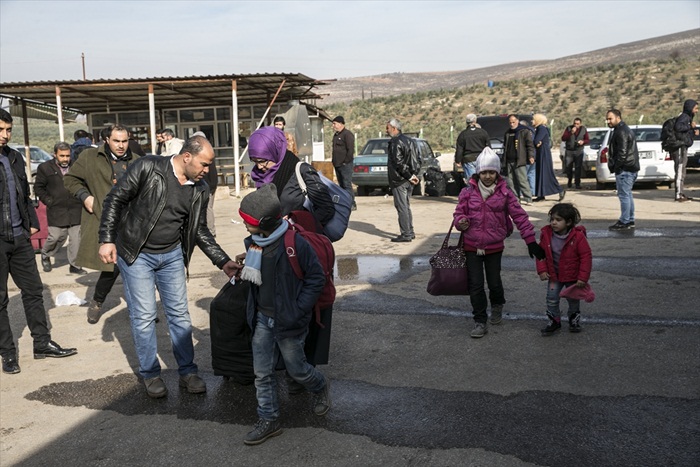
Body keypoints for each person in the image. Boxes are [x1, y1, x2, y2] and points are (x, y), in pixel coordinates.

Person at [97, 135, 238, 398]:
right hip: (137, 253)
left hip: (172, 255)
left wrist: (222, 261)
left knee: (180, 316)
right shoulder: (148, 167)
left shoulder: (200, 187)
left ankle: (187, 372)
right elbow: (114, 200)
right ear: (187, 157)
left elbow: (200, 230)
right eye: (204, 164)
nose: (207, 171)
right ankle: (150, 374)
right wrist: (106, 239)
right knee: (144, 317)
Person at [237, 184, 331, 445]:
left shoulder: (294, 243)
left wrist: (298, 309)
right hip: (263, 319)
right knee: (262, 373)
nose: (244, 225)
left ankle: (320, 386)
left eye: (248, 221)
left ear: (264, 222)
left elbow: (315, 278)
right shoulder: (254, 243)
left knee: (298, 370)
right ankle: (269, 419)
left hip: (289, 320)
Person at [0, 109, 77, 375]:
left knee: (33, 292)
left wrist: (31, 219)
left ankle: (42, 343)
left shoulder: (14, 157)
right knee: (0, 300)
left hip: (19, 237)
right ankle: (8, 354)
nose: (5, 135)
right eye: (0, 130)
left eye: (8, 130)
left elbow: (24, 193)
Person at [453, 148, 545, 338]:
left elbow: (520, 216)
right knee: (475, 285)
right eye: (484, 172)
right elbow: (458, 214)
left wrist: (530, 241)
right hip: (471, 246)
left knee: (494, 283)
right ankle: (480, 321)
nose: (487, 176)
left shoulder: (505, 193)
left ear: (497, 172)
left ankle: (497, 305)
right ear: (478, 172)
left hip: (494, 246)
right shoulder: (467, 192)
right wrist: (460, 222)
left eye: (491, 172)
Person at [64, 124, 141, 324]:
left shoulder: (138, 161)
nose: (121, 146)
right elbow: (71, 180)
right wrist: (85, 196)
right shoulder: (90, 157)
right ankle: (97, 301)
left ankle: (141, 309)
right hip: (105, 221)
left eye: (125, 141)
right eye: (117, 141)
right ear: (106, 139)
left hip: (132, 224)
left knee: (138, 268)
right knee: (111, 267)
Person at [248, 126, 334, 226]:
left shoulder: (301, 170)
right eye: (254, 161)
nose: (259, 166)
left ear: (275, 151)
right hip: (270, 238)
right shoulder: (261, 175)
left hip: (299, 237)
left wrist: (297, 221)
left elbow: (327, 208)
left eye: (262, 161)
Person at [535, 203, 592, 335]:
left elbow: (586, 257)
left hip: (573, 277)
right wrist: (542, 270)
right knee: (551, 298)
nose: (554, 222)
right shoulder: (547, 234)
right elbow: (540, 254)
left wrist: (583, 278)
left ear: (569, 222)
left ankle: (574, 320)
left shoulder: (578, 237)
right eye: (552, 219)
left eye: (558, 220)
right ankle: (554, 321)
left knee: (573, 299)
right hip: (554, 275)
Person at [34, 141, 85, 275]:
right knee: (56, 237)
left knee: (76, 239)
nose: (65, 159)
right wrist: (49, 201)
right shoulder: (45, 168)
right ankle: (46, 254)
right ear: (55, 155)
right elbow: (38, 188)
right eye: (62, 156)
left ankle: (75, 265)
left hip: (75, 208)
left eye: (67, 156)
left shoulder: (76, 166)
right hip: (56, 209)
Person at [386, 118, 420, 242]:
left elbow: (398, 162)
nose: (386, 130)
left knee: (402, 206)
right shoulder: (410, 141)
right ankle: (409, 231)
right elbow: (417, 159)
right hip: (408, 178)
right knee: (406, 206)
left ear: (394, 128)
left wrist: (409, 175)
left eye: (388, 128)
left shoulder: (395, 142)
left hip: (400, 179)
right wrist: (414, 175)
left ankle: (406, 234)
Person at [605, 109, 639, 231]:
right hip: (628, 168)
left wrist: (616, 167)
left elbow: (622, 153)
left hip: (625, 169)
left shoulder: (621, 131)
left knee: (624, 195)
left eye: (610, 118)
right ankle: (629, 219)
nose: (608, 121)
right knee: (627, 195)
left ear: (618, 118)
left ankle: (625, 221)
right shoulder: (622, 130)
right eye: (607, 119)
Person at [531, 114, 566, 202]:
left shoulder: (542, 129)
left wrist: (537, 143)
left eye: (533, 119)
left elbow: (536, 140)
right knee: (540, 174)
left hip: (544, 154)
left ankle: (560, 190)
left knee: (547, 174)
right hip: (541, 153)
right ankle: (541, 194)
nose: (532, 121)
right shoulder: (539, 128)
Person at [502, 114, 535, 205]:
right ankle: (516, 199)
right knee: (511, 182)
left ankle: (528, 198)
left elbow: (530, 145)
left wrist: (531, 156)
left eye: (513, 122)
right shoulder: (508, 133)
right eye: (510, 122)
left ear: (517, 121)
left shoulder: (524, 131)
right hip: (509, 161)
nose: (512, 124)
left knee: (522, 180)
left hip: (519, 160)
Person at [671, 99, 698, 202]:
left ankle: (681, 193)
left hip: (683, 147)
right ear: (690, 108)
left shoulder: (687, 118)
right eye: (695, 108)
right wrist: (689, 126)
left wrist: (692, 133)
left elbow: (684, 133)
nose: (696, 111)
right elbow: (678, 127)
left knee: (682, 171)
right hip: (679, 148)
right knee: (679, 170)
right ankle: (678, 195)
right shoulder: (684, 117)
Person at [193, 131, 219, 236]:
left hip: (208, 186)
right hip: (207, 185)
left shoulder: (206, 154)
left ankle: (211, 231)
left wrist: (211, 187)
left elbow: (211, 173)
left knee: (208, 208)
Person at [454, 113, 490, 182]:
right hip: (481, 159)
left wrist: (457, 160)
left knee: (472, 181)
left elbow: (460, 149)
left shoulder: (463, 134)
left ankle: (474, 192)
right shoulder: (483, 132)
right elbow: (488, 147)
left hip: (468, 160)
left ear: (466, 122)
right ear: (475, 121)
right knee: (483, 180)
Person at [331, 115, 356, 210]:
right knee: (341, 185)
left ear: (341, 124)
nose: (333, 126)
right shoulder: (336, 135)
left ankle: (351, 203)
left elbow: (350, 150)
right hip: (337, 164)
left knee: (346, 184)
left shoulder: (347, 134)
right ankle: (344, 203)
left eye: (335, 123)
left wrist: (346, 162)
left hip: (345, 165)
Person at [560, 118, 589, 189]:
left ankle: (577, 183)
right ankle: (569, 180)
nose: (576, 125)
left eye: (577, 124)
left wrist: (583, 142)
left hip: (579, 150)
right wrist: (571, 133)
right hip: (569, 151)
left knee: (578, 168)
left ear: (580, 124)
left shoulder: (583, 129)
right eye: (575, 123)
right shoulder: (569, 128)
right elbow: (563, 138)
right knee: (568, 167)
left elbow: (587, 139)